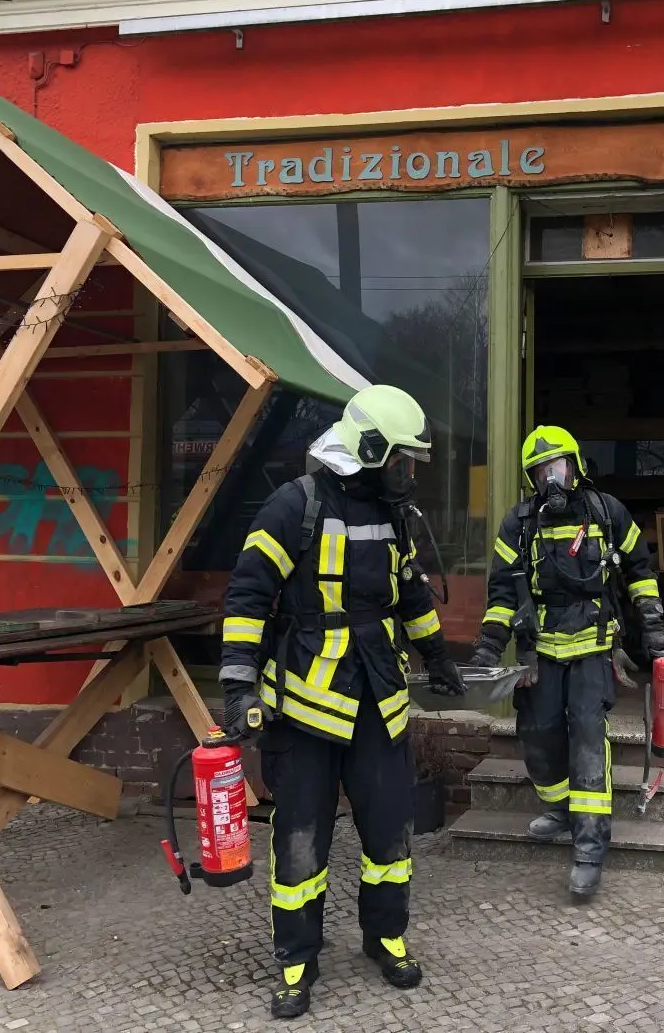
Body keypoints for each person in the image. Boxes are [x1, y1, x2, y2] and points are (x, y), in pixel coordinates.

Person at [218, 384, 467, 1020]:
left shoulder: (396, 514)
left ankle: (385, 937)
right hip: (303, 709)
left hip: (379, 701)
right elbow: (248, 597)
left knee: (390, 831)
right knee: (301, 841)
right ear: (369, 449)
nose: (408, 474)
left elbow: (410, 595)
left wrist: (438, 658)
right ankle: (296, 959)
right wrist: (239, 686)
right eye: (402, 460)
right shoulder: (292, 506)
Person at [472, 425, 664, 900]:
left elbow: (640, 573)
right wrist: (486, 647)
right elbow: (502, 593)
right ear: (531, 478)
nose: (552, 479)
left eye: (558, 466)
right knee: (538, 738)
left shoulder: (607, 512)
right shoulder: (519, 523)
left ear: (575, 466)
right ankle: (560, 809)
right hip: (539, 653)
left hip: (591, 649)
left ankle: (588, 848)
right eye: (541, 471)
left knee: (587, 739)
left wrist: (655, 632)